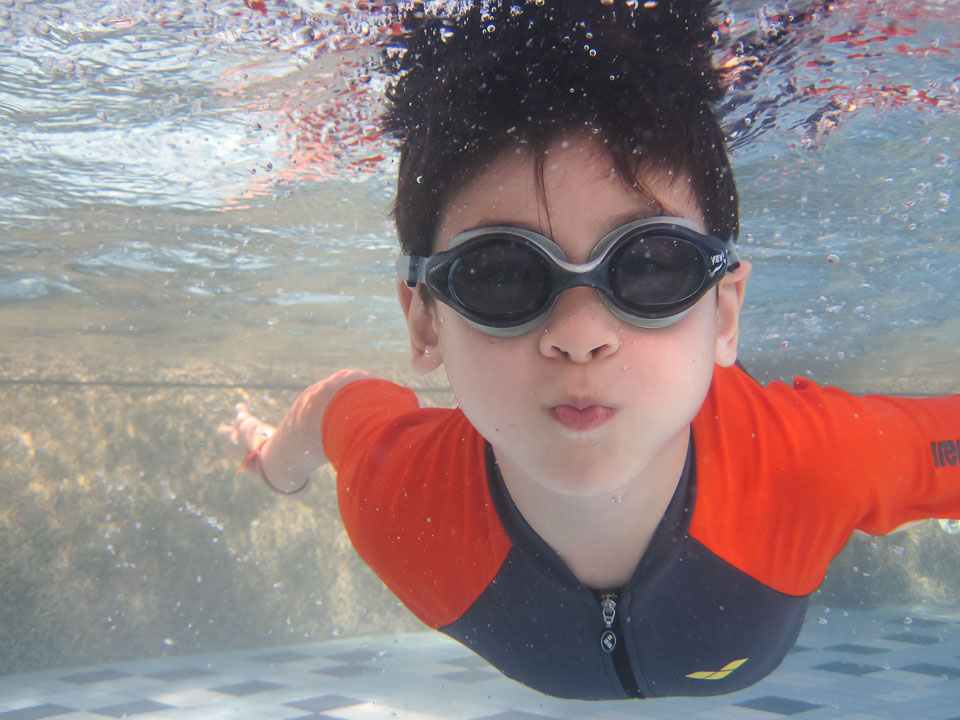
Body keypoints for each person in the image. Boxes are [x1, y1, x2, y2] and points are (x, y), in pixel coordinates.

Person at [219, 0, 960, 700]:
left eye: (652, 266)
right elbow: (332, 410)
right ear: (425, 323)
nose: (580, 335)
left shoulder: (813, 463)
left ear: (725, 313)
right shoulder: (406, 509)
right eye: (502, 274)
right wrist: (275, 461)